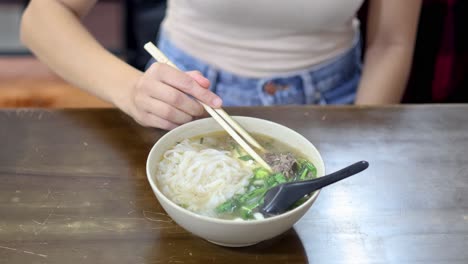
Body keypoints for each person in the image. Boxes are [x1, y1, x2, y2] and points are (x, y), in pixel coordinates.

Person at [20, 0, 421, 130]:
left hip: (337, 103)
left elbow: (392, 41)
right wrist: (131, 90)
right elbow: (43, 15)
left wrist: (366, 124)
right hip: (187, 96)